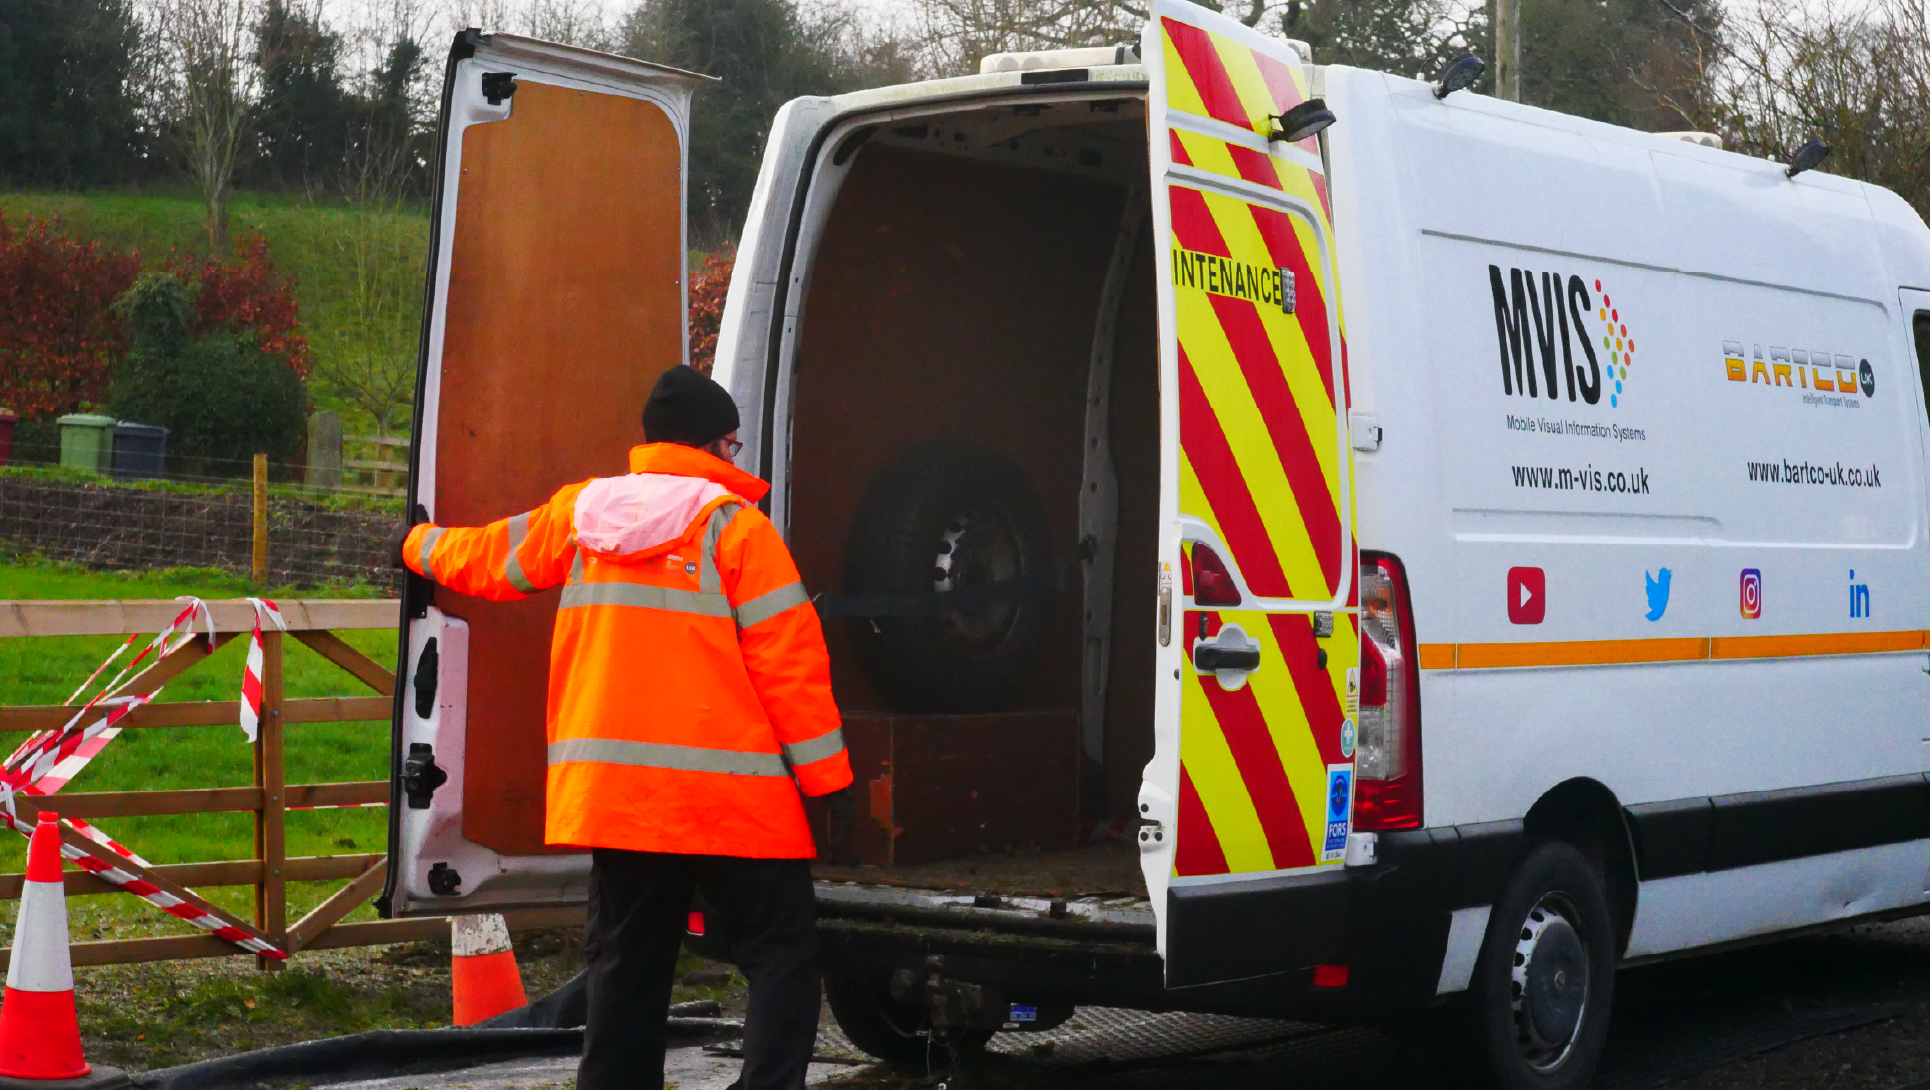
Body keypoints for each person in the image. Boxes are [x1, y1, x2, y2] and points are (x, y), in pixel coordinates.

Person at [393, 365, 856, 1090]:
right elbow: (791, 666)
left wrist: (415, 546)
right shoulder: (738, 530)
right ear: (717, 445)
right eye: (732, 445)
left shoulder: (581, 515)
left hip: (620, 800)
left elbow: (487, 558)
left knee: (628, 962)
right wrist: (828, 780)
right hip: (730, 798)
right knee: (781, 953)